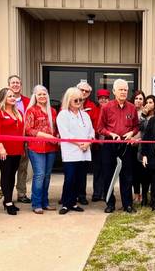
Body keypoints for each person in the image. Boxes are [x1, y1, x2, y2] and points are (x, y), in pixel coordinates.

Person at [97, 79, 139, 213]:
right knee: (108, 175)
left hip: (126, 145)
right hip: (110, 144)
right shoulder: (106, 107)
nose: (123, 92)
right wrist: (110, 133)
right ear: (114, 91)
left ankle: (128, 204)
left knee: (127, 176)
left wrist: (131, 133)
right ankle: (110, 203)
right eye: (120, 89)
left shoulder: (132, 107)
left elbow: (136, 126)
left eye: (125, 90)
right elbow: (100, 128)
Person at [56, 87, 94, 215]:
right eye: (76, 100)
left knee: (79, 179)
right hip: (71, 153)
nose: (79, 102)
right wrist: (79, 143)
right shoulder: (63, 114)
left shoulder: (85, 115)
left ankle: (73, 202)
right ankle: (66, 204)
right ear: (69, 100)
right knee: (70, 179)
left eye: (81, 100)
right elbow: (65, 134)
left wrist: (88, 143)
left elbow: (91, 131)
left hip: (84, 152)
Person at [25, 85, 59, 214]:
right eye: (39, 94)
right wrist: (46, 136)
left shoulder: (52, 111)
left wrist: (57, 136)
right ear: (35, 96)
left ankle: (45, 202)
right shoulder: (31, 110)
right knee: (39, 175)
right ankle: (36, 203)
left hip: (51, 147)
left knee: (47, 175)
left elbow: (55, 128)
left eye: (44, 94)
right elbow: (28, 130)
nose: (42, 96)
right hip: (36, 147)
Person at [0, 88, 25, 215]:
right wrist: (0, 147)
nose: (13, 98)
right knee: (6, 174)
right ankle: (8, 202)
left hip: (17, 149)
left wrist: (22, 148)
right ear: (3, 98)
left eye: (13, 96)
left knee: (12, 175)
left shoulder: (18, 112)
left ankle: (8, 199)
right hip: (4, 150)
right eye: (9, 96)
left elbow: (21, 132)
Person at [7, 75, 31, 204]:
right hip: (9, 141)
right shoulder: (1, 100)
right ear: (9, 85)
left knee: (23, 167)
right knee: (9, 169)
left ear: (21, 85)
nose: (15, 85)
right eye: (13, 83)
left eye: (18, 83)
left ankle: (21, 193)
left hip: (24, 140)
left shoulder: (28, 101)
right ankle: (8, 195)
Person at [76, 82, 99, 205]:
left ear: (89, 93)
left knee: (82, 172)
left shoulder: (92, 106)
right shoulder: (69, 102)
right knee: (70, 172)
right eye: (82, 90)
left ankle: (82, 195)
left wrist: (88, 143)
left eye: (86, 91)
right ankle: (69, 195)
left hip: (86, 145)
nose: (84, 92)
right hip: (71, 145)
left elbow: (94, 127)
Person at [138, 95, 155, 206]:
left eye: (151, 102)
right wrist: (143, 114)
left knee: (154, 175)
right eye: (147, 102)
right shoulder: (143, 115)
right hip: (144, 148)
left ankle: (153, 197)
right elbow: (139, 127)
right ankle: (144, 197)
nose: (148, 104)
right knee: (144, 175)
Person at [91, 88, 111, 202]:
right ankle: (96, 193)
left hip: (108, 144)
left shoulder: (111, 109)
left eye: (105, 98)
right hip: (97, 145)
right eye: (101, 98)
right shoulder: (95, 110)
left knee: (107, 170)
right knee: (97, 170)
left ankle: (105, 192)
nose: (103, 100)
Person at [131, 90, 146, 203]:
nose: (138, 101)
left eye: (141, 99)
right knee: (133, 171)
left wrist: (140, 139)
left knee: (142, 171)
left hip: (142, 145)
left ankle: (143, 194)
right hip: (131, 144)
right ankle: (136, 194)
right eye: (136, 98)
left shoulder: (146, 113)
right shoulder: (129, 111)